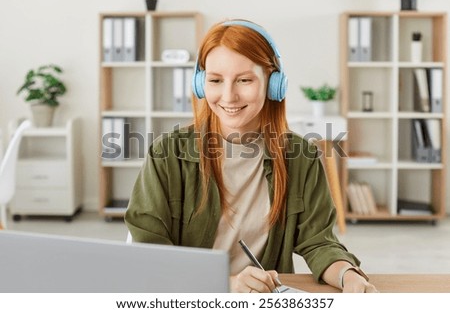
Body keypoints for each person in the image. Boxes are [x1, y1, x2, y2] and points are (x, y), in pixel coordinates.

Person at [125, 19, 378, 293]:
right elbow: (149, 253)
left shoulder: (302, 157)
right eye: (215, 80)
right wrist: (226, 284)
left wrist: (348, 276)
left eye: (244, 80)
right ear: (200, 84)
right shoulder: (166, 155)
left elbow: (319, 242)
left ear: (273, 84)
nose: (229, 96)